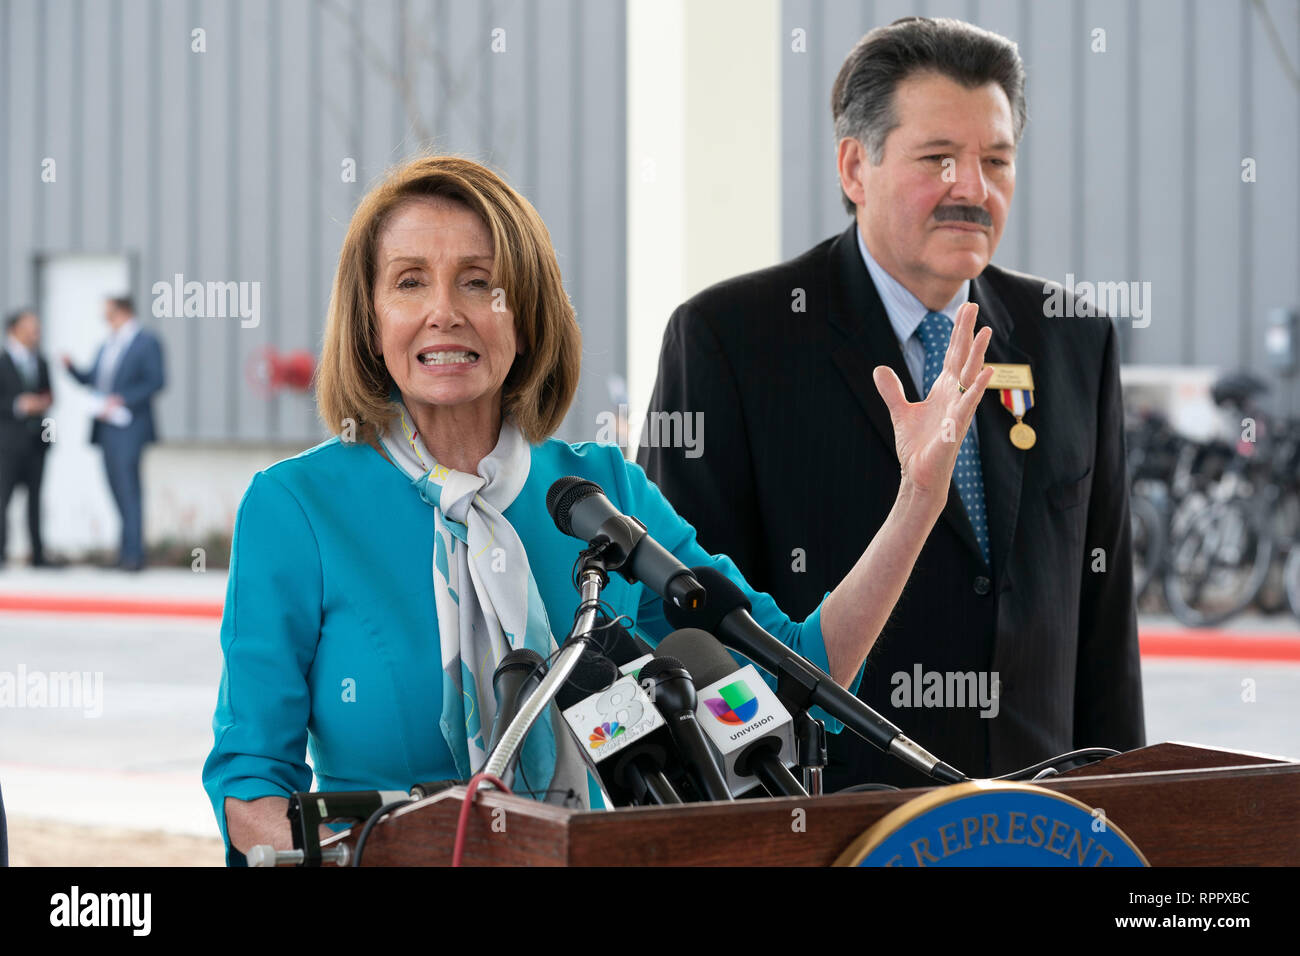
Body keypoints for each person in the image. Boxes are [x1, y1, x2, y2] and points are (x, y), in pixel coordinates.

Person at [201, 154, 993, 865]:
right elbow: (250, 788)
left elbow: (794, 668)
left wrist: (918, 500)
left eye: (479, 282)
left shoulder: (597, 494)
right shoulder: (296, 509)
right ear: (372, 323)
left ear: (527, 313)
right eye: (410, 281)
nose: (444, 311)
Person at [639, 17, 1144, 791]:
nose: (972, 189)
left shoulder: (1073, 338)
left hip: (1040, 822)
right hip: (832, 818)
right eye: (938, 159)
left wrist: (1121, 806)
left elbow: (1104, 624)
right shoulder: (731, 342)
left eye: (996, 161)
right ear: (855, 167)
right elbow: (687, 625)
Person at [61, 296, 166, 571]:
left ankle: (135, 555)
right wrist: (72, 369)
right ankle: (124, 552)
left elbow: (157, 380)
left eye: (108, 312)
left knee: (130, 488)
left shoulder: (147, 341)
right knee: (115, 487)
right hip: (105, 426)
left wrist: (123, 399)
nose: (104, 317)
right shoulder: (107, 344)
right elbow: (93, 379)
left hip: (130, 425)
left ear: (122, 311)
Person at [0, 310, 55, 568]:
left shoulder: (41, 362)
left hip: (37, 443)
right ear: (14, 330)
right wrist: (19, 405)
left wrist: (49, 437)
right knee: (3, 499)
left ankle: (38, 555)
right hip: (7, 444)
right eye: (31, 327)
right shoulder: (2, 362)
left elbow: (49, 398)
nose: (37, 332)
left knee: (36, 501)